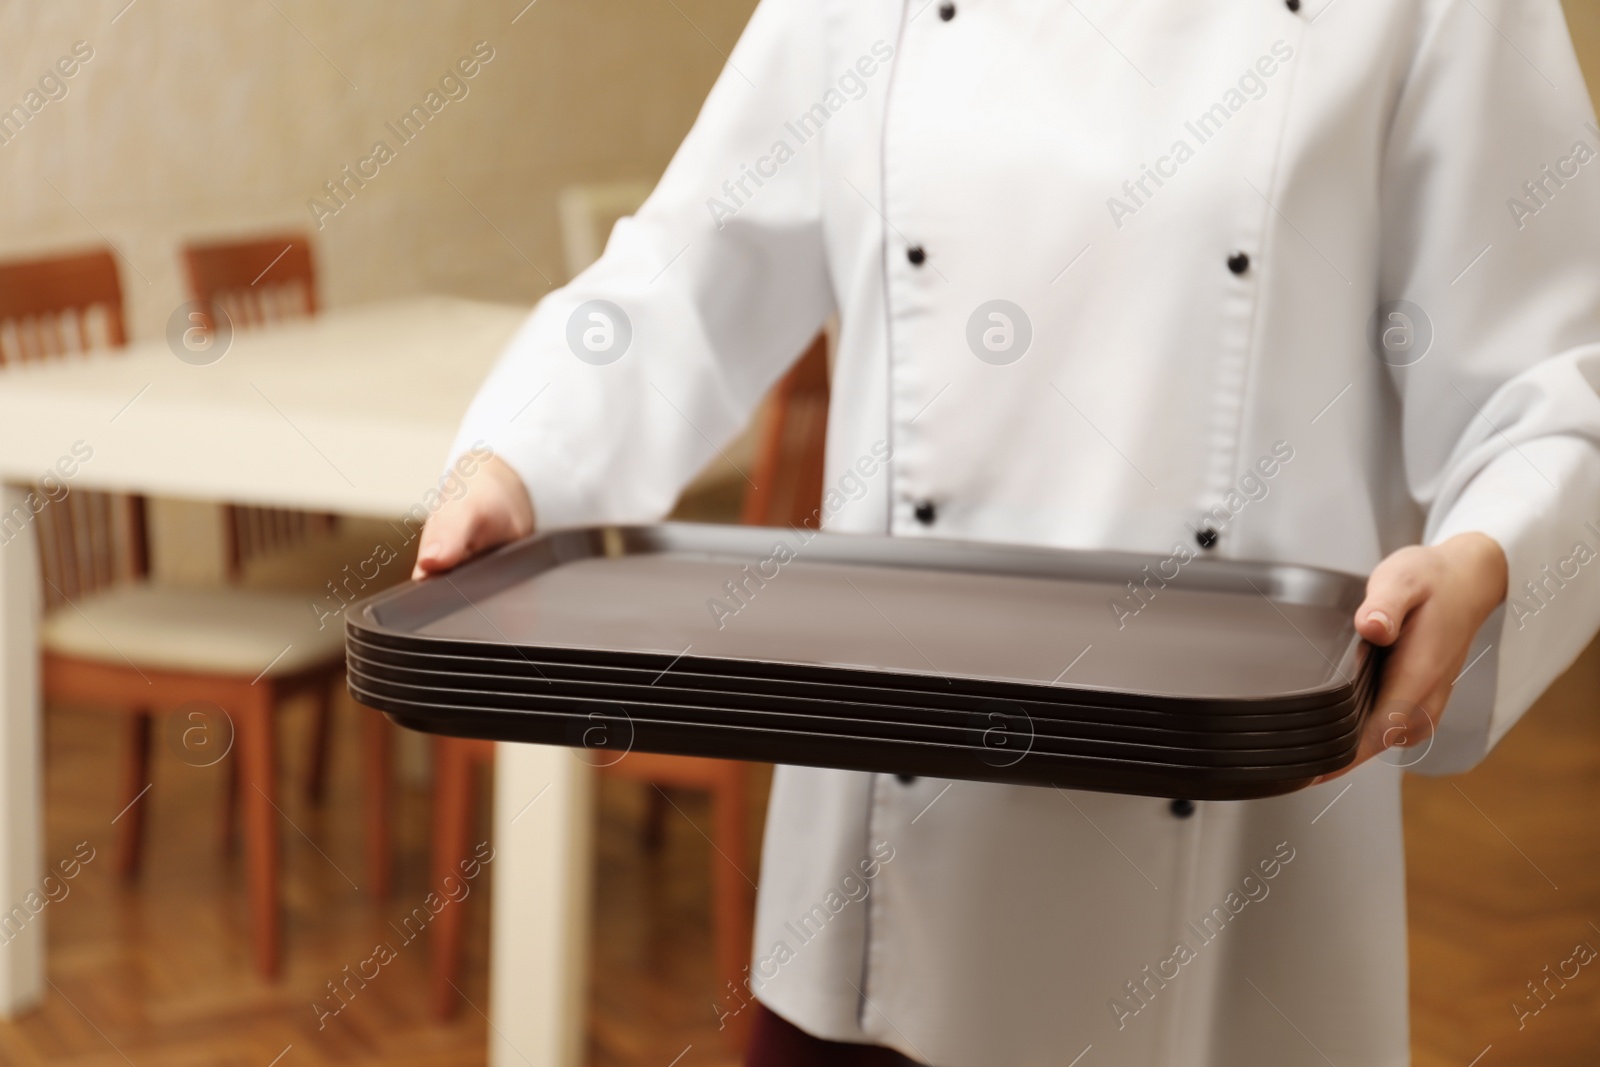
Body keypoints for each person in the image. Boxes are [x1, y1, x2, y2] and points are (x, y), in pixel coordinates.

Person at [414, 1, 1600, 1063]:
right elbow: (680, 278)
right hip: (885, 832)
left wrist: (1486, 551)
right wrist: (519, 454)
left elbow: (1555, 378)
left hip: (1239, 815)